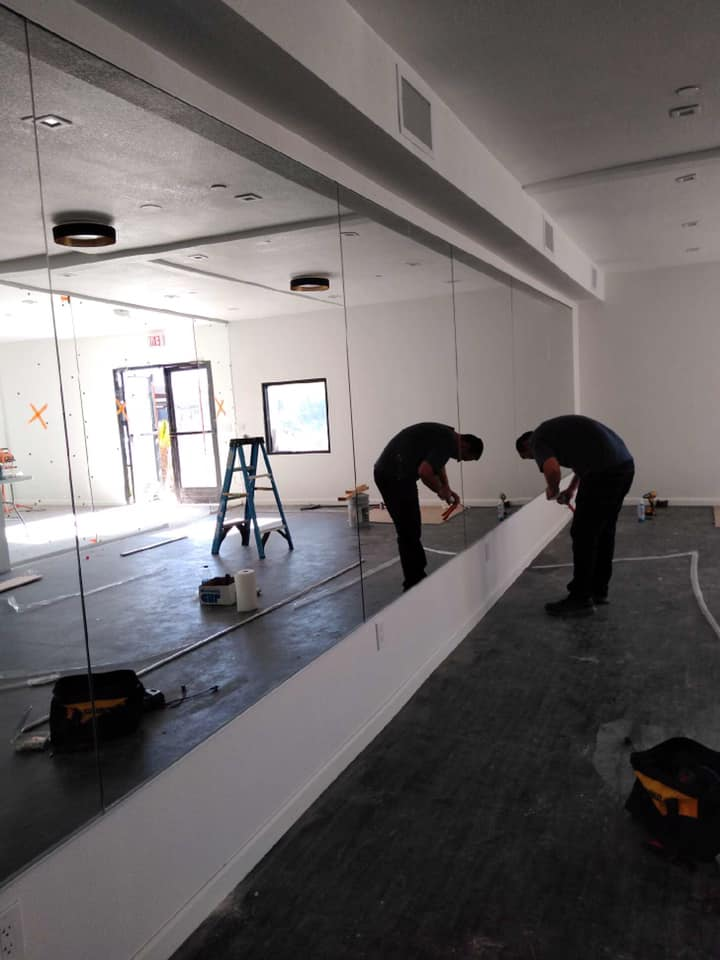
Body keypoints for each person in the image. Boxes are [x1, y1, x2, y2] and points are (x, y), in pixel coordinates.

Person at [516, 415, 634, 617]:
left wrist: (552, 489)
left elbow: (552, 469)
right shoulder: (560, 434)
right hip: (624, 466)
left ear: (527, 446)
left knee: (583, 534)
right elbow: (582, 463)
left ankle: (580, 599)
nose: (536, 461)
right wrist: (571, 490)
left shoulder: (538, 440)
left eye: (530, 458)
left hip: (604, 472)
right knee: (604, 530)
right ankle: (598, 590)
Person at [374, 423, 484, 591]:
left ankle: (417, 575)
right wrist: (440, 491)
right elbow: (425, 472)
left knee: (412, 527)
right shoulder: (447, 441)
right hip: (392, 476)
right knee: (407, 530)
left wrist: (446, 486)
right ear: (465, 444)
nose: (460, 460)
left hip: (401, 476)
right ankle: (413, 582)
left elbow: (437, 463)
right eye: (464, 457)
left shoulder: (448, 435)